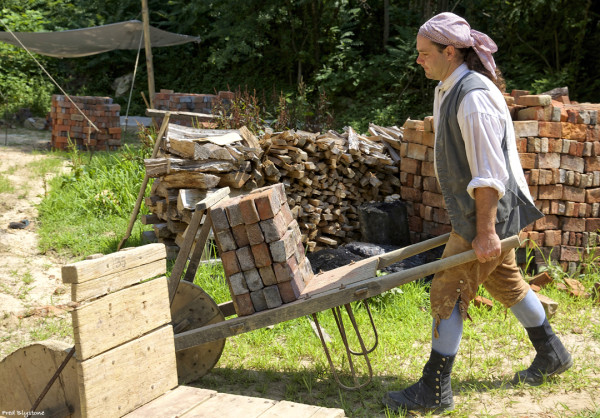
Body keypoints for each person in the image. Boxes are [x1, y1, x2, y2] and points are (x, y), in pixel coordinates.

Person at [382, 12, 573, 414]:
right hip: (486, 215)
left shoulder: (472, 97)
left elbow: (489, 174)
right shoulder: (450, 86)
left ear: (449, 52)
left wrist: (484, 231)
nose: (417, 60)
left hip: (488, 215)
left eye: (423, 53)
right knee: (506, 284)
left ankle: (434, 390)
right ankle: (552, 352)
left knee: (446, 291)